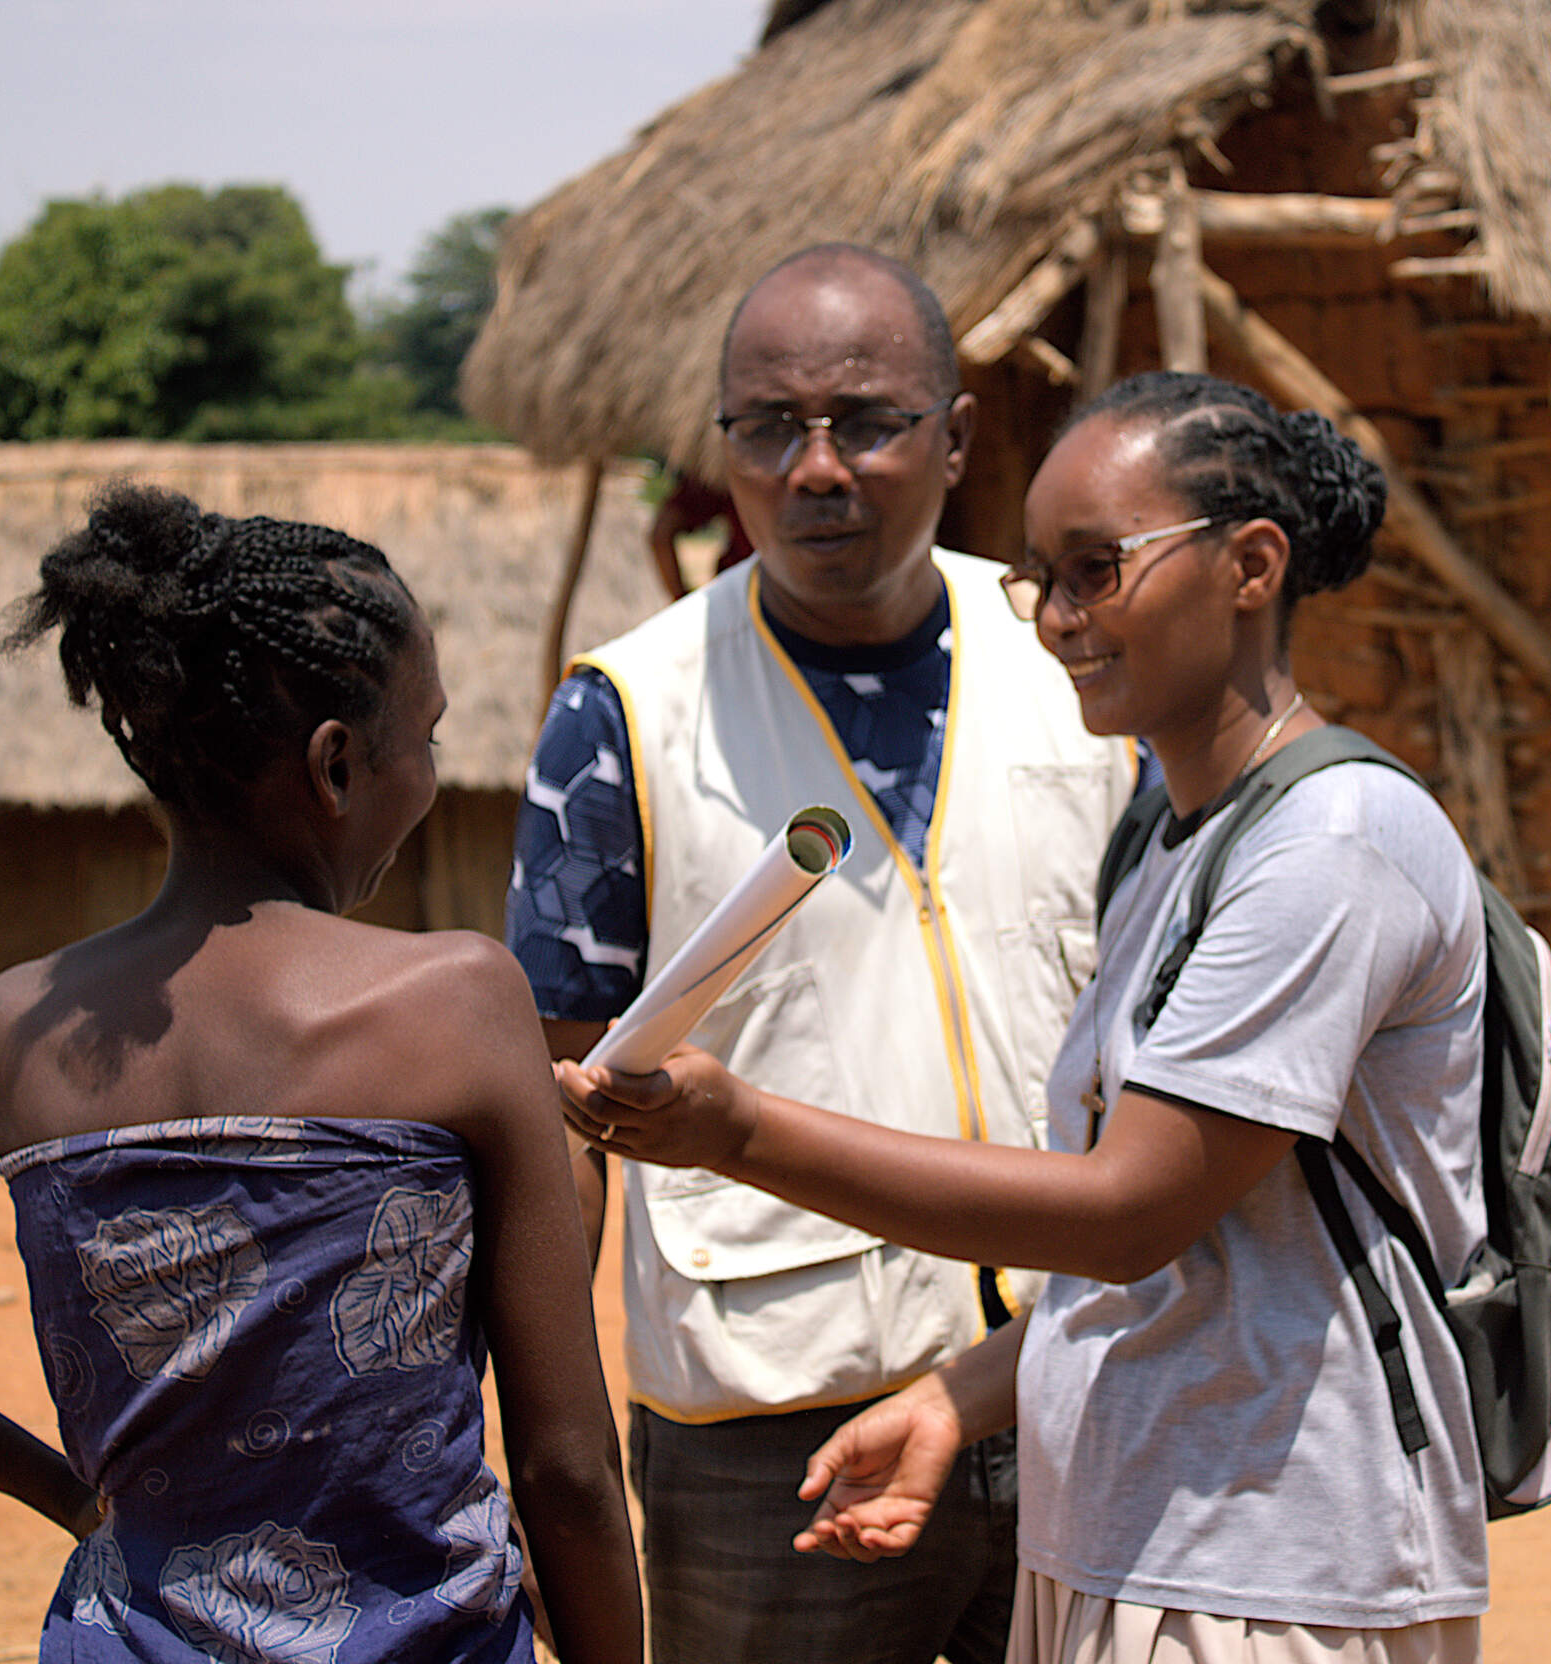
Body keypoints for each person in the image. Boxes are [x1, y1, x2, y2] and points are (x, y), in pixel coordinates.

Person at [559, 372, 1492, 1663]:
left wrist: (740, 1134)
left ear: (1252, 567)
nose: (1054, 620)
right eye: (1039, 577)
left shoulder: (1330, 851)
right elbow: (1184, 1267)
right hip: (1147, 1536)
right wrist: (962, 1398)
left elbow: (1130, 1215)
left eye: (1097, 571)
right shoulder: (1169, 843)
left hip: (1278, 1572)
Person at [0, 486, 641, 1664]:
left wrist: (56, 1488)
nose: (434, 774)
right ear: (335, 765)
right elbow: (569, 1465)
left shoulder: (14, 1031)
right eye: (428, 737)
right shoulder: (457, 1005)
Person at [504, 243, 1138, 1664]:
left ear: (959, 438)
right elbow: (561, 1114)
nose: (816, 468)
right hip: (765, 1444)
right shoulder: (626, 715)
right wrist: (549, 1461)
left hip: (1077, 1376)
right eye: (767, 428)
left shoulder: (1081, 668)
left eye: (866, 421)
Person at [646, 471, 754, 601]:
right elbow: (662, 534)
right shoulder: (727, 470)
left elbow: (661, 534)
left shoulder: (729, 468)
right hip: (741, 599)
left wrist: (681, 600)